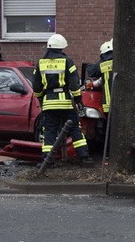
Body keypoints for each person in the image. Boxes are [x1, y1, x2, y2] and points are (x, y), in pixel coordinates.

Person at [31, 33, 92, 165]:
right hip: (65, 103)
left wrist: (42, 98)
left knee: (49, 131)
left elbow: (36, 86)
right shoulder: (67, 61)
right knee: (75, 129)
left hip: (49, 103)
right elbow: (74, 83)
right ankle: (84, 158)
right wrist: (78, 99)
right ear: (61, 48)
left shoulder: (41, 63)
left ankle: (48, 161)